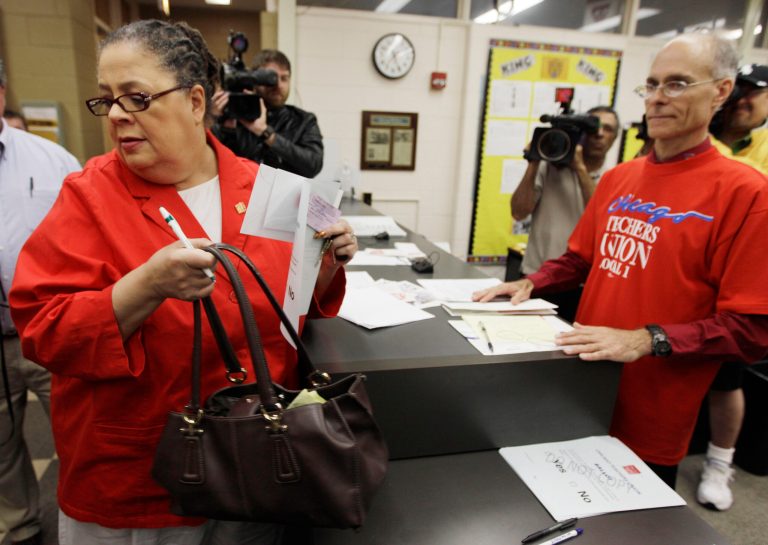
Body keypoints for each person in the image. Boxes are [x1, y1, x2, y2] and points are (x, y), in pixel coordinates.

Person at [8, 20, 355, 545]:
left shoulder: (266, 189)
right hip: (138, 477)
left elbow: (285, 309)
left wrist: (325, 262)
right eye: (108, 100)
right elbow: (44, 330)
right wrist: (144, 285)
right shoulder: (89, 197)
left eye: (137, 97)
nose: (119, 114)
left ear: (196, 102)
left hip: (254, 461)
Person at [474, 32, 768, 489]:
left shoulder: (746, 193)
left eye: (676, 84)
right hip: (580, 389)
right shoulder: (618, 178)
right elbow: (578, 260)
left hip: (652, 416)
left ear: (721, 91)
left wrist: (646, 340)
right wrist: (534, 282)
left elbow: (752, 331)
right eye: (650, 85)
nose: (656, 99)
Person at [0, 59, 80, 545]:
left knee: (78, 436)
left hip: (54, 332)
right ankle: (20, 528)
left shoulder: (52, 160)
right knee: (2, 449)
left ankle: (80, 522)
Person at [696, 63, 768, 511]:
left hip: (740, 280)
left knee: (727, 377)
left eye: (753, 93)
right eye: (737, 91)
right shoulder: (706, 139)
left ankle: (720, 464)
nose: (743, 100)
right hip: (692, 271)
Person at [511, 106, 619, 321]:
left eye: (607, 129)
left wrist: (579, 168)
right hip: (536, 275)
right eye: (593, 127)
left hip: (580, 284)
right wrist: (534, 162)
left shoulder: (615, 177)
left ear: (615, 137)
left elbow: (601, 219)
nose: (598, 134)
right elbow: (518, 212)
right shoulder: (548, 168)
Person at [211, 49, 324, 178]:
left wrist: (267, 134)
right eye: (271, 78)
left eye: (284, 78)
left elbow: (313, 165)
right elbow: (212, 164)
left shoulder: (304, 121)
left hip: (284, 197)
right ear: (254, 79)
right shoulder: (233, 116)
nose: (279, 85)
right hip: (241, 196)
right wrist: (214, 120)